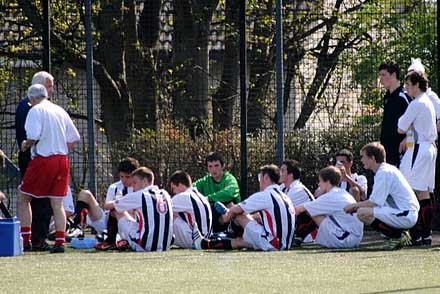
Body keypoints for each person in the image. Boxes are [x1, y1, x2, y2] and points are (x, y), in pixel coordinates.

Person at [18, 84, 80, 253]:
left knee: (24, 197)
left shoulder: (35, 110)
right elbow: (74, 137)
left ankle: (26, 240)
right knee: (57, 202)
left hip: (44, 159)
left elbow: (33, 136)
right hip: (62, 160)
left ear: (32, 98)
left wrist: (25, 145)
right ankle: (60, 241)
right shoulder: (60, 110)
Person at [192, 164, 295, 251]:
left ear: (266, 177)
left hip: (271, 243)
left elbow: (236, 209)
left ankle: (224, 232)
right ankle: (205, 244)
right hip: (284, 245)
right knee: (240, 242)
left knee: (238, 215)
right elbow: (263, 217)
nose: (259, 181)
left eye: (260, 177)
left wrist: (226, 216)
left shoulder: (265, 195)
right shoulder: (285, 196)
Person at [344, 142, 419, 250]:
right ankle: (398, 234)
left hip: (405, 214)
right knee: (364, 211)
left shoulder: (384, 173)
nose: (361, 160)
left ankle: (397, 236)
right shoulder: (386, 170)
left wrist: (353, 206)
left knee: (362, 213)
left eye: (363, 157)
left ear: (372, 158)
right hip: (405, 212)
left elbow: (374, 202)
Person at [15, 71, 55, 251]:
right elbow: (33, 136)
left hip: (35, 157)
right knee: (40, 198)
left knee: (35, 197)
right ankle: (37, 238)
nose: (51, 90)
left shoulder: (30, 106)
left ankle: (33, 237)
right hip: (34, 157)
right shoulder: (31, 107)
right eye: (49, 86)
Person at [397, 70, 437, 246]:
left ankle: (415, 234)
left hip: (419, 149)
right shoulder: (427, 100)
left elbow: (400, 127)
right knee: (424, 193)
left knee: (407, 189)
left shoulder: (416, 103)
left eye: (408, 85)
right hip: (428, 148)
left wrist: (407, 128)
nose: (406, 88)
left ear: (416, 85)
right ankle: (425, 235)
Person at [71, 157, 140, 250]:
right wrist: (118, 202)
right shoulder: (114, 187)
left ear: (135, 176)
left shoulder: (140, 190)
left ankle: (115, 240)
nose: (124, 180)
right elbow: (107, 207)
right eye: (121, 177)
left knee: (120, 210)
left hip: (128, 225)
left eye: (127, 177)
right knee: (85, 194)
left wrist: (121, 204)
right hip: (108, 224)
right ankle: (75, 228)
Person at [103, 167, 173, 252]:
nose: (132, 186)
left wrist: (117, 200)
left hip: (145, 246)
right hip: (166, 245)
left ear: (144, 181)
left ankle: (111, 241)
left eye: (135, 183)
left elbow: (108, 206)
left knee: (116, 210)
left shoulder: (140, 195)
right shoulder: (165, 194)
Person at [294, 166, 363, 249]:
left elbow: (300, 209)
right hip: (353, 237)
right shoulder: (341, 192)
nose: (319, 184)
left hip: (345, 238)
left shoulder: (331, 196)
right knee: (313, 209)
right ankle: (300, 237)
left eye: (320, 181)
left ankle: (298, 237)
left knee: (311, 211)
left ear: (327, 182)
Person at [194, 152, 240, 233]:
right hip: (212, 218)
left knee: (230, 204)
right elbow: (190, 189)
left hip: (233, 220)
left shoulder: (230, 179)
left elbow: (230, 193)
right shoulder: (205, 181)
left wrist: (208, 198)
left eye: (216, 165)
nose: (213, 169)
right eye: (210, 166)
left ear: (223, 166)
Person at [378, 61, 411, 167]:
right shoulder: (387, 97)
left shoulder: (403, 96)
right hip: (387, 150)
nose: (380, 79)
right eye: (380, 75)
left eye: (383, 75)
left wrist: (408, 138)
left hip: (400, 151)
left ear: (393, 75)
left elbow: (415, 121)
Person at [169, 170, 212, 249]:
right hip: (206, 237)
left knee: (166, 217)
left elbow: (161, 210)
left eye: (173, 188)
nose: (173, 193)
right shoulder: (201, 196)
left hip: (194, 239)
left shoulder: (183, 196)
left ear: (180, 185)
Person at [278, 159, 316, 246]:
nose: (279, 173)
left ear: (290, 175)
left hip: (308, 232)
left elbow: (280, 210)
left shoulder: (298, 190)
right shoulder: (283, 187)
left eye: (282, 170)